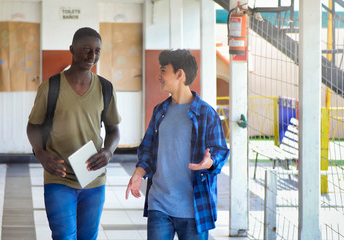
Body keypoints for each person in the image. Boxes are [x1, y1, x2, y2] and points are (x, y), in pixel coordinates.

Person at [27, 27, 121, 240]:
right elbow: (33, 126)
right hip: (58, 177)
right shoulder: (50, 87)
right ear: (72, 49)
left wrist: (107, 152)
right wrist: (41, 154)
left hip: (93, 178)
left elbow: (114, 130)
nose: (91, 56)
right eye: (86, 49)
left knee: (88, 237)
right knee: (63, 236)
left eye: (97, 51)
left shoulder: (105, 88)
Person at [125, 49, 229, 240]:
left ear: (179, 74)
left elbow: (220, 152)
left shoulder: (206, 114)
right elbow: (147, 149)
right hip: (159, 204)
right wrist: (139, 173)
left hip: (194, 208)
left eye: (163, 71)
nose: (159, 76)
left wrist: (210, 162)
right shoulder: (160, 111)